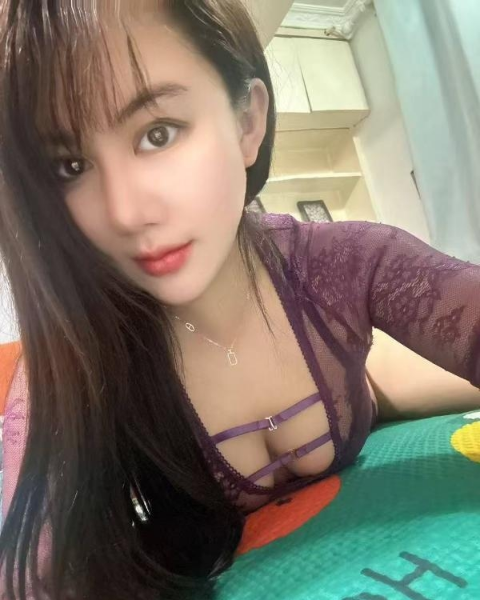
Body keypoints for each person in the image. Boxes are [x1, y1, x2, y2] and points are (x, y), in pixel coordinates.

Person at [0, 1, 479, 599]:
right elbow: (31, 571)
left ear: (248, 122)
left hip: (375, 378)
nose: (124, 212)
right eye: (71, 166)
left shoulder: (346, 263)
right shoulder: (73, 365)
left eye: (157, 133)